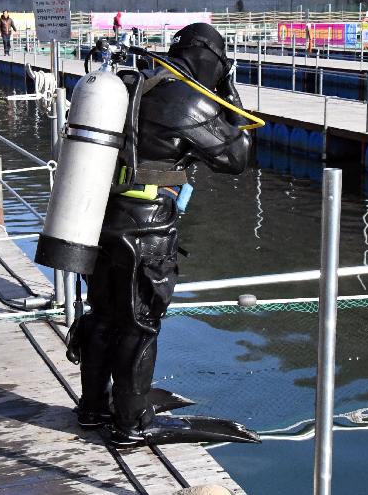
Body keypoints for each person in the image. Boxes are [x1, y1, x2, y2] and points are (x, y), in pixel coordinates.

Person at [71, 23, 255, 447]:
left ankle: (93, 406)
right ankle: (131, 425)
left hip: (97, 216)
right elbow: (236, 158)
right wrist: (229, 91)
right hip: (147, 229)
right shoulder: (186, 99)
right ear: (211, 58)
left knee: (102, 314)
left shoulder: (130, 83)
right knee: (140, 323)